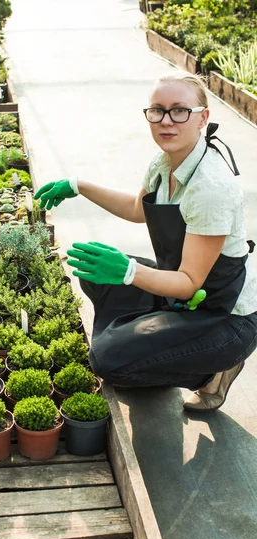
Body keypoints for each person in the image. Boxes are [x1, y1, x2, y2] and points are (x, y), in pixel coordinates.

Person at [34, 71, 257, 412]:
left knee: (108, 363)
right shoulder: (164, 162)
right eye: (157, 110)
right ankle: (149, 342)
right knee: (95, 273)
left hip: (224, 315)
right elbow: (139, 209)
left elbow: (188, 283)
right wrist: (78, 185)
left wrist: (128, 271)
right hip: (185, 295)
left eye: (179, 110)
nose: (166, 121)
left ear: (203, 118)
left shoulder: (211, 187)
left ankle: (210, 372)